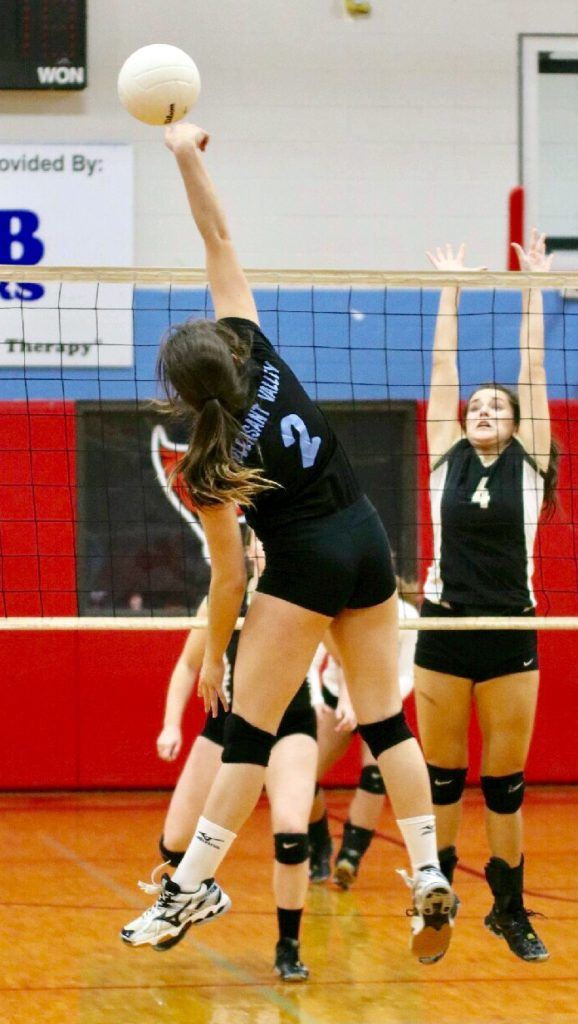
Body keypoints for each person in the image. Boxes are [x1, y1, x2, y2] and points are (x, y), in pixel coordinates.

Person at [120, 121, 456, 965]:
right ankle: (424, 873)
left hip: (302, 562)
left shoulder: (210, 461)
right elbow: (218, 236)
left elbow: (229, 578)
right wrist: (185, 154)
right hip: (368, 539)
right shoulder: (256, 349)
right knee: (385, 723)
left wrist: (213, 658)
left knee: (250, 732)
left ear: (183, 395)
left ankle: (193, 882)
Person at [414, 233, 557, 962]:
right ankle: (435, 898)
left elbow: (534, 370)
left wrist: (534, 287)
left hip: (509, 629)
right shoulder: (446, 456)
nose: (484, 409)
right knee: (443, 781)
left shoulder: (533, 465)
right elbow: (444, 369)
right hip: (443, 627)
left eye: (497, 408)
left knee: (504, 786)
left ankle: (509, 908)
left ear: (516, 423)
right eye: (478, 406)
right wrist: (453, 290)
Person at [150, 533, 317, 981]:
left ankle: (289, 946)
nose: (266, 547)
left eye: (271, 539)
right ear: (247, 549)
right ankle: (187, 899)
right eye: (260, 541)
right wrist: (170, 724)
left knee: (291, 833)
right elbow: (189, 665)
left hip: (288, 725)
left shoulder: (305, 596)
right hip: (224, 728)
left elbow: (344, 646)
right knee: (174, 843)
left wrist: (360, 697)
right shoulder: (225, 602)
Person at [308, 591, 419, 888]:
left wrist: (380, 699)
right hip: (335, 698)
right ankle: (319, 844)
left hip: (380, 702)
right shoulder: (338, 605)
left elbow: (408, 675)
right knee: (303, 778)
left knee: (375, 776)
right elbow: (312, 659)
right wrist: (317, 699)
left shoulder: (407, 615)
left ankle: (350, 858)